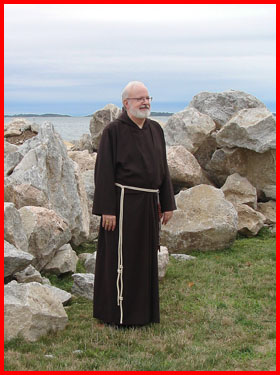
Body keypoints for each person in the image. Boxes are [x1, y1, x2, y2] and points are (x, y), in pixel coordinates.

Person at [92, 81, 176, 327]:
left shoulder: (156, 129)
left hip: (149, 203)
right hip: (121, 205)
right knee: (121, 259)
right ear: (126, 103)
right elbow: (104, 172)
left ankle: (144, 313)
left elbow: (163, 168)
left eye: (148, 98)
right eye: (139, 98)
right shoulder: (113, 131)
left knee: (145, 257)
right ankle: (116, 313)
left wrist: (167, 201)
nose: (145, 102)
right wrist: (107, 209)